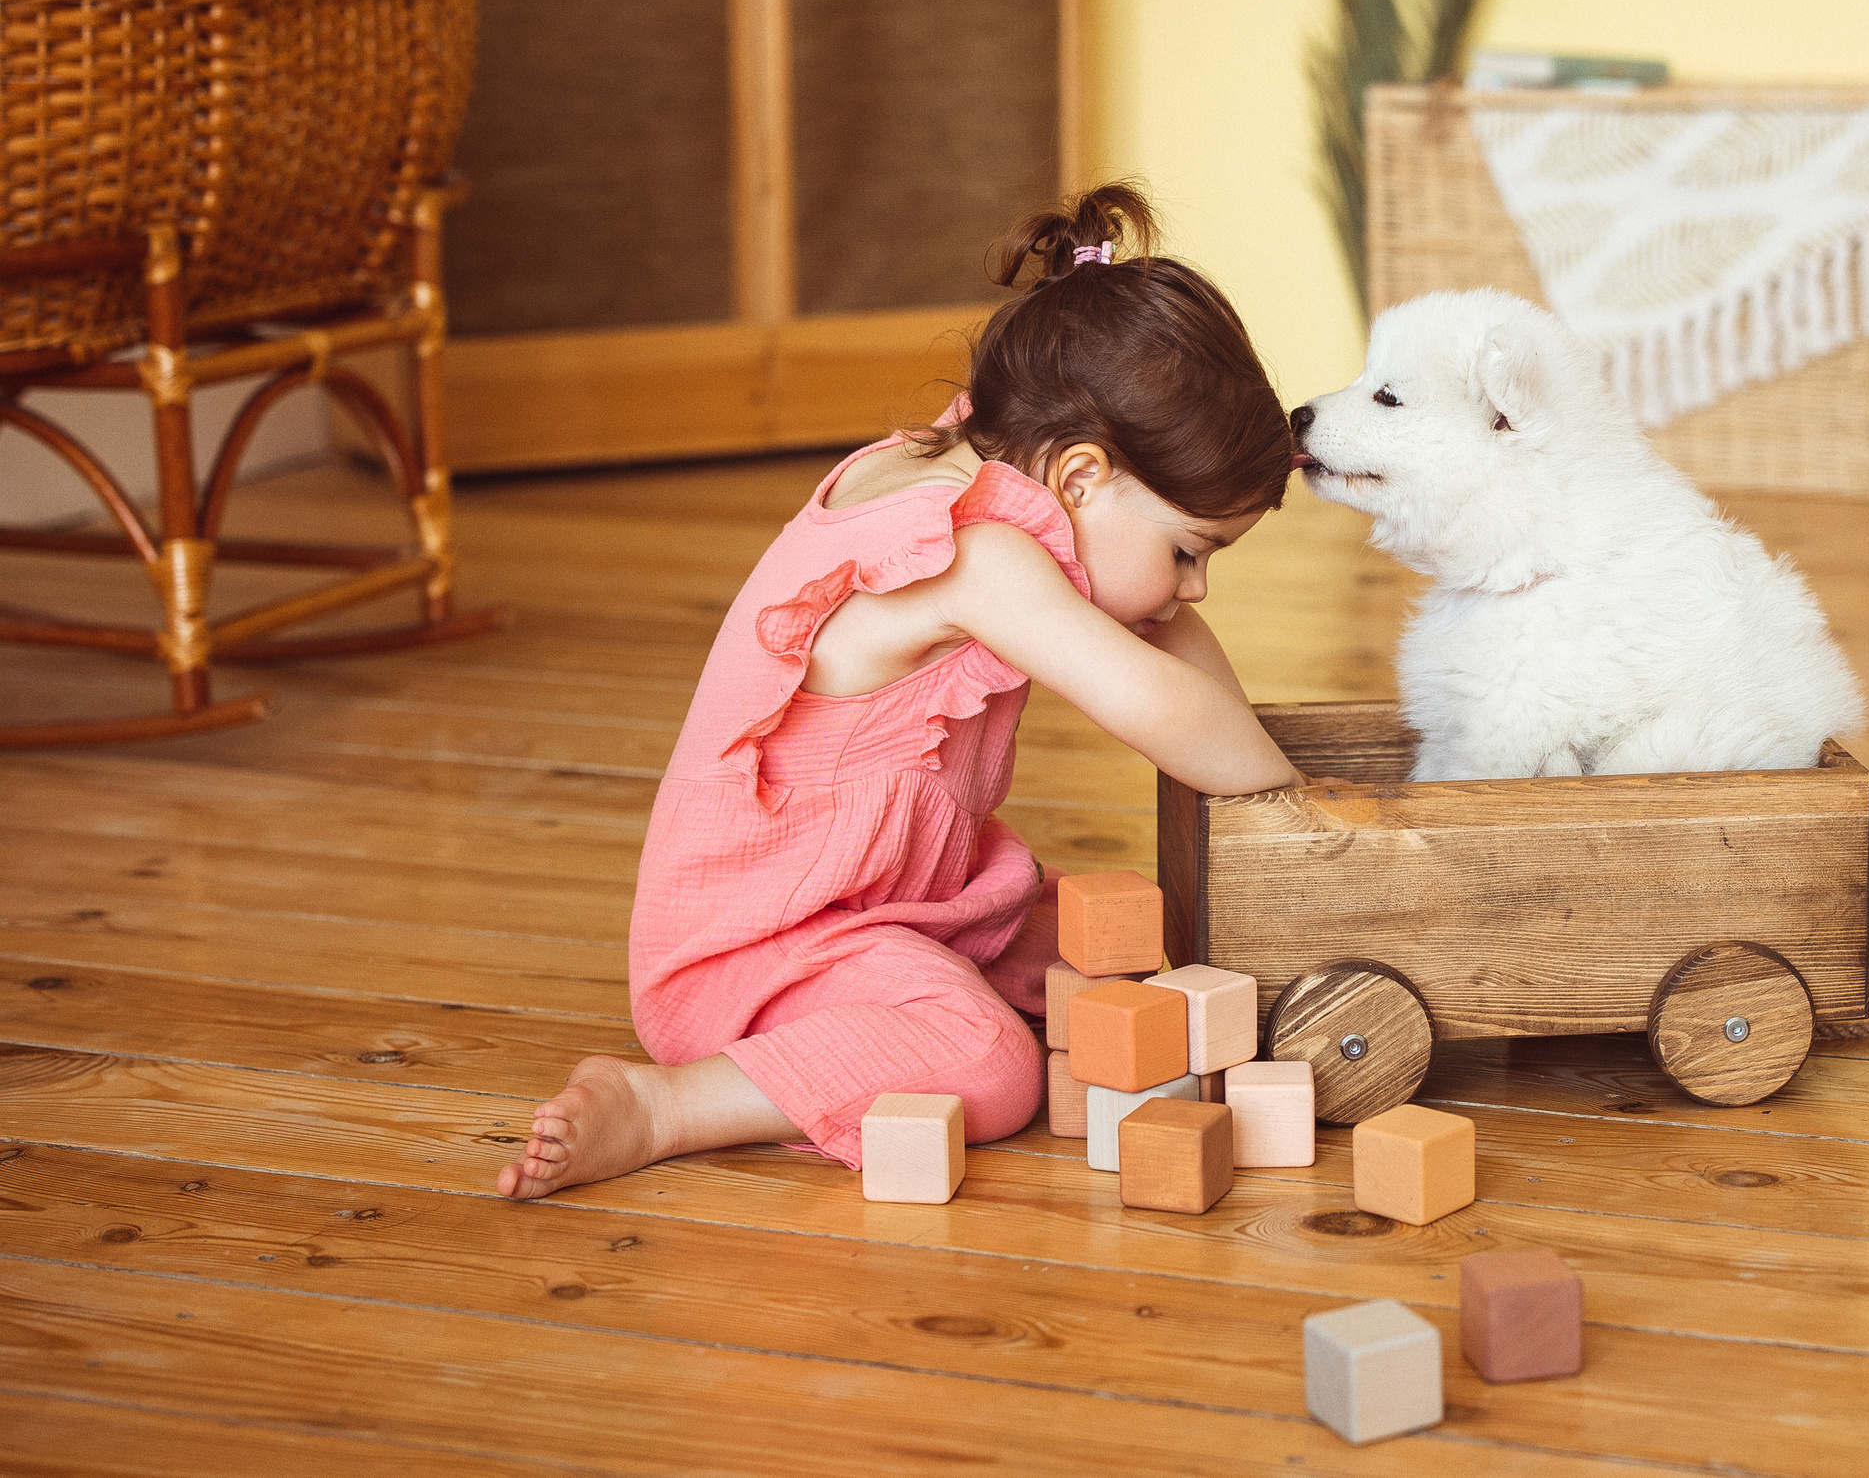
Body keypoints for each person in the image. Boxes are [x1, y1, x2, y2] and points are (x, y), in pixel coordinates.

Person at [496, 185, 1302, 1199]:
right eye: (1190, 553)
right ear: (1082, 475)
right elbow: (1186, 729)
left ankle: (926, 999)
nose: (1193, 591)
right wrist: (1301, 800)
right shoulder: (974, 557)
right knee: (992, 1070)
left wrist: (1158, 578)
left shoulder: (989, 448)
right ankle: (669, 1104)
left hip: (909, 903)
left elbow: (1154, 613)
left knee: (1136, 942)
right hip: (756, 956)